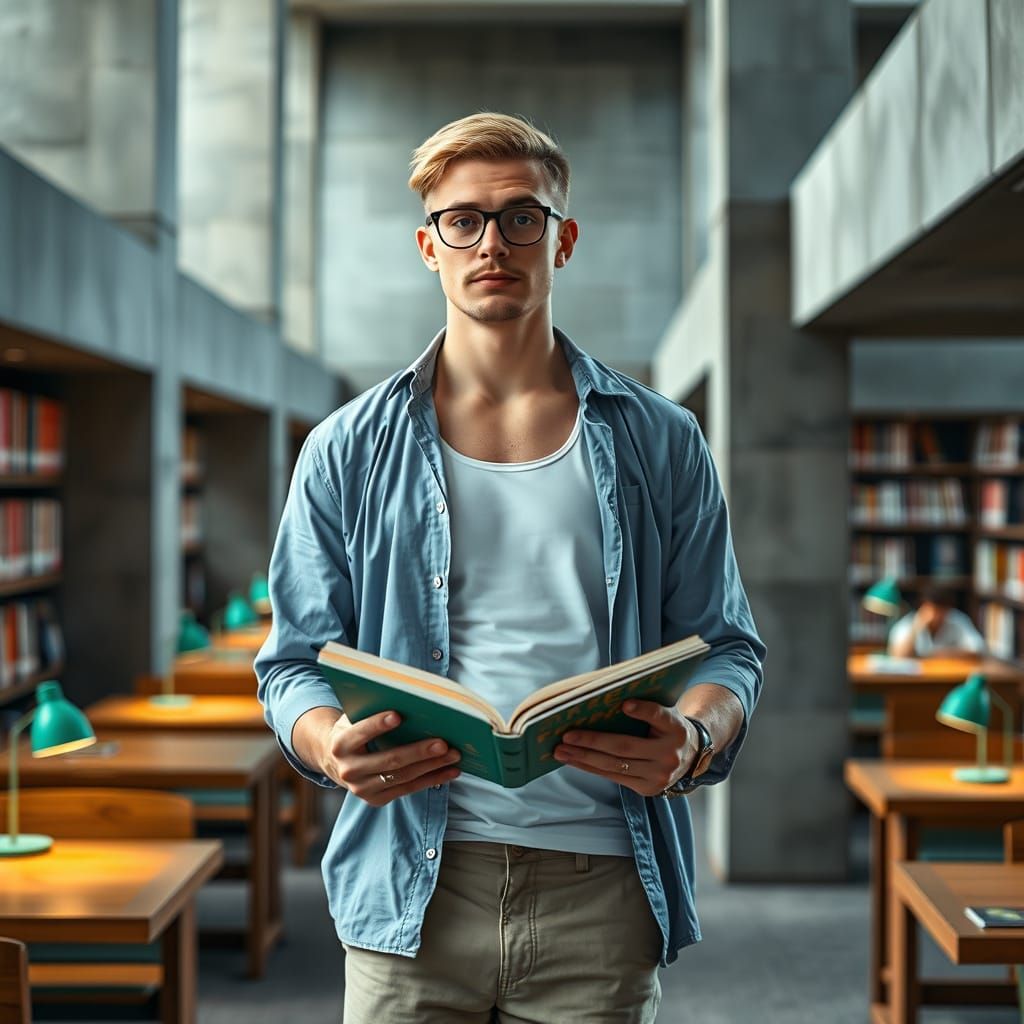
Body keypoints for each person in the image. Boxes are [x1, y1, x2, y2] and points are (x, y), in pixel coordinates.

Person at [255, 112, 765, 1023]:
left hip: (603, 884)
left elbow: (728, 648)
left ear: (562, 239)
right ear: (428, 245)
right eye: (464, 220)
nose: (493, 242)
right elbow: (292, 663)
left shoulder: (661, 440)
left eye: (521, 217)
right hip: (407, 889)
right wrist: (328, 744)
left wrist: (691, 741)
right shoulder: (345, 448)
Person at [887, 586, 985, 658]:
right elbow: (898, 655)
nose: (938, 616)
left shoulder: (957, 620)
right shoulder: (908, 624)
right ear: (923, 607)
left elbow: (978, 649)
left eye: (942, 611)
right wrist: (916, 627)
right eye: (934, 610)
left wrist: (934, 654)